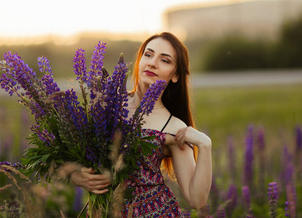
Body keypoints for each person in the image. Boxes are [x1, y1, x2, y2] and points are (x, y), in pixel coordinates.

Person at [70, 32, 212, 217]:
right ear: (139, 60)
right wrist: (77, 176)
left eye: (165, 60)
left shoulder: (174, 126)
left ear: (175, 75)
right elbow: (71, 157)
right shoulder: (106, 104)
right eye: (148, 54)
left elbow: (197, 200)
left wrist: (205, 145)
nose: (152, 62)